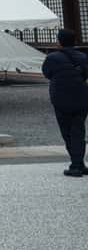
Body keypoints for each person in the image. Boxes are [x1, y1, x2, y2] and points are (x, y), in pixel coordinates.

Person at [42, 29, 88, 177]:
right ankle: (79, 163)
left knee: (67, 132)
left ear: (59, 41)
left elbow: (47, 73)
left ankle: (76, 165)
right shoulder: (83, 56)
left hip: (61, 98)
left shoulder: (52, 58)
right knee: (78, 131)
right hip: (82, 98)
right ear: (74, 41)